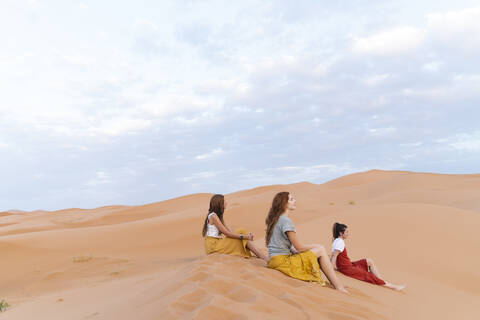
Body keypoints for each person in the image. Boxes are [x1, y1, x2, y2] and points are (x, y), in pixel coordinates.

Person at [265, 192, 348, 293]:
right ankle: (339, 287)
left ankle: (334, 284)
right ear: (284, 204)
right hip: (283, 263)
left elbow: (286, 245)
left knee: (314, 252)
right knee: (321, 250)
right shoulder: (286, 221)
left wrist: (296, 251)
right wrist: (317, 246)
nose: (294, 201)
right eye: (291, 199)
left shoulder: (276, 219)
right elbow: (299, 247)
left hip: (273, 261)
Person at [330, 222, 406, 291]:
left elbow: (333, 255)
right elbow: (334, 256)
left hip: (348, 265)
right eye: (346, 232)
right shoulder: (339, 242)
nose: (348, 233)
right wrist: (333, 268)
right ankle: (393, 287)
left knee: (368, 261)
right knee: (368, 275)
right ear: (340, 233)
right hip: (347, 269)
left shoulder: (337, 241)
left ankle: (381, 280)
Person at [202, 194, 267, 261]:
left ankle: (261, 255)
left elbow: (230, 231)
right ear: (219, 203)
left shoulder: (218, 216)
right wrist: (245, 237)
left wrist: (245, 236)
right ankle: (262, 257)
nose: (226, 202)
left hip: (217, 243)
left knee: (241, 232)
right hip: (213, 246)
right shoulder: (213, 216)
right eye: (224, 201)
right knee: (241, 232)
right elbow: (227, 233)